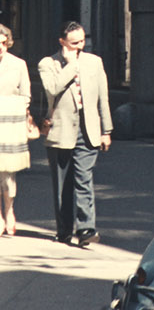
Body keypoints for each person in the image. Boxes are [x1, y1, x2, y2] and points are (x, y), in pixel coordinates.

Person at [38, 20, 112, 247]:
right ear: (62, 42)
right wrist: (70, 66)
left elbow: (103, 98)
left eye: (82, 41)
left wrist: (106, 130)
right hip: (60, 130)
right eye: (74, 43)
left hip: (87, 129)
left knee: (83, 178)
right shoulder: (48, 64)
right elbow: (52, 89)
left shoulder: (94, 62)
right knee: (62, 184)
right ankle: (64, 230)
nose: (80, 46)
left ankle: (86, 228)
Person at [0, 24, 31, 235]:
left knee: (8, 175)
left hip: (10, 125)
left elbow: (26, 95)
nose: (0, 47)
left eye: (3, 43)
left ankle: (9, 211)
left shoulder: (18, 65)